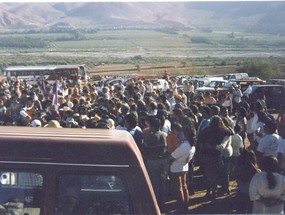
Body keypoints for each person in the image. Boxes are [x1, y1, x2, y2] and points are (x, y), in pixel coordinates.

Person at [168, 125, 195, 214]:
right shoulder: (192, 145)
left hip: (176, 168)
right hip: (184, 166)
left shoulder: (184, 145)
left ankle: (181, 208)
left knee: (178, 189)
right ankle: (185, 205)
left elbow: (172, 157)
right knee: (184, 186)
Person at [235, 149, 260, 213]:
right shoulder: (257, 172)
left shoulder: (238, 169)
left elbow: (237, 182)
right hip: (252, 196)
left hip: (241, 194)